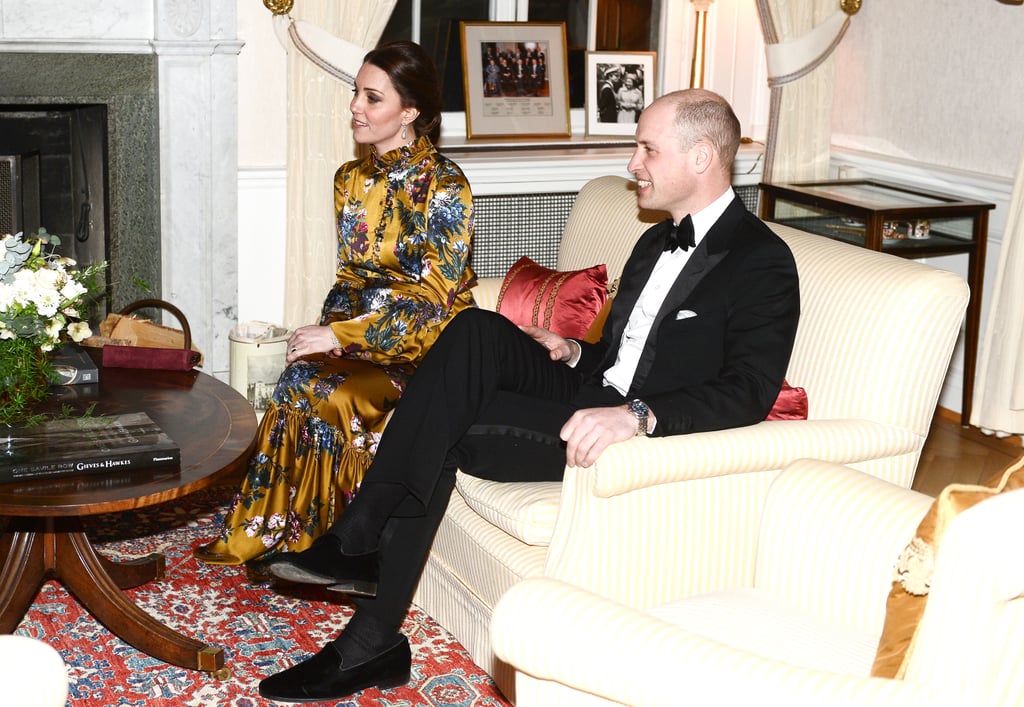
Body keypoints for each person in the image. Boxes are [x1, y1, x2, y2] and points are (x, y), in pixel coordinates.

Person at [257, 88, 801, 703]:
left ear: (702, 157)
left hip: (619, 427)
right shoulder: (655, 241)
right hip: (587, 385)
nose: (632, 164)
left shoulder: (762, 261)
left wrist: (638, 416)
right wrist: (575, 350)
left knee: (445, 423)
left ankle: (369, 621)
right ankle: (360, 549)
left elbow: (749, 392)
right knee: (475, 328)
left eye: (647, 148)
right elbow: (626, 355)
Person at [193, 41, 476, 568]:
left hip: (428, 344)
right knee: (298, 378)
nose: (355, 107)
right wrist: (325, 333)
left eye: (372, 98)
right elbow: (350, 278)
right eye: (355, 94)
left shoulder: (446, 184)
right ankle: (272, 531)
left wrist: (342, 339)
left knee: (338, 395)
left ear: (409, 112)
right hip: (360, 336)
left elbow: (435, 302)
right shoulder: (350, 179)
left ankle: (345, 546)